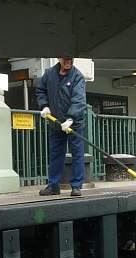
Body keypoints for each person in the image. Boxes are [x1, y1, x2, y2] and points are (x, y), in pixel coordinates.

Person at [36, 57, 87, 196]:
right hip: (56, 122)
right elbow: (41, 90)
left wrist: (71, 118)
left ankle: (76, 186)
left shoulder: (77, 76)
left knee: (77, 154)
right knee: (55, 154)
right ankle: (53, 186)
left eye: (71, 59)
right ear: (59, 59)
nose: (68, 62)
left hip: (74, 124)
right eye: (66, 59)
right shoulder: (49, 74)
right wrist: (44, 105)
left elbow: (79, 99)